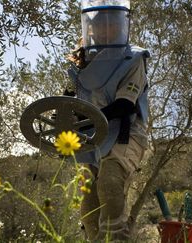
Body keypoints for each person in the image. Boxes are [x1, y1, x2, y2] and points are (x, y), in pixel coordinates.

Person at [65, 0, 150, 241]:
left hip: (127, 133)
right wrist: (65, 116)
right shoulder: (82, 64)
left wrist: (85, 118)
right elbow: (72, 99)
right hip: (95, 139)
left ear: (121, 25)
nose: (106, 29)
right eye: (100, 24)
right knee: (89, 209)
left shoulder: (132, 59)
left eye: (112, 23)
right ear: (90, 28)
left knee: (110, 183)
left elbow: (125, 105)